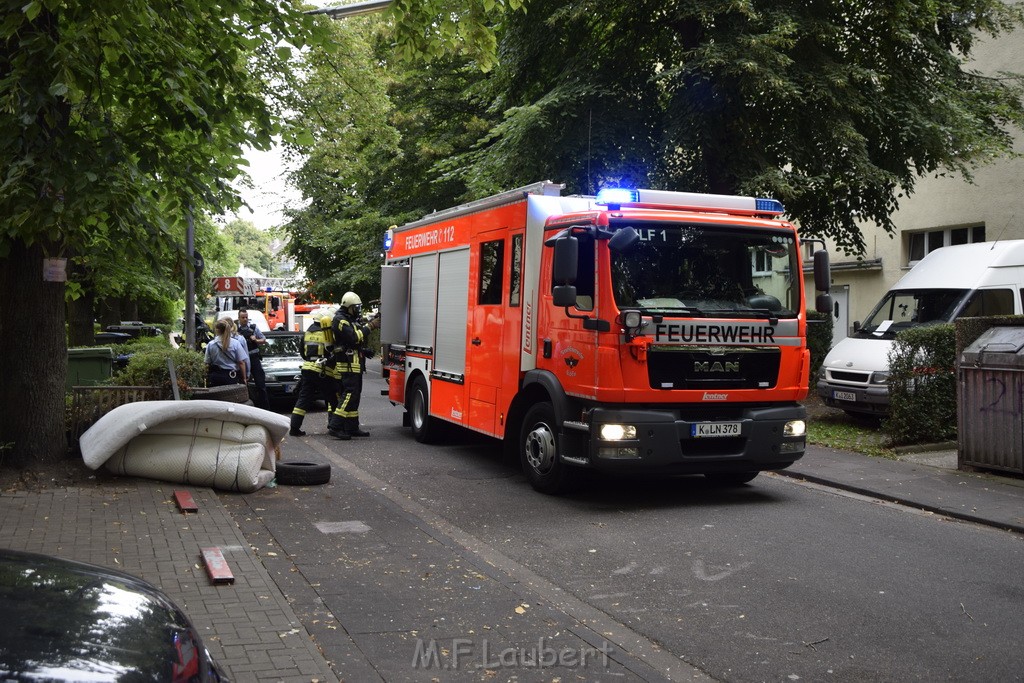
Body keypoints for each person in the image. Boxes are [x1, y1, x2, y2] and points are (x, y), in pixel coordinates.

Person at [327, 292, 378, 439]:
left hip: (355, 362)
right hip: (347, 363)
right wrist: (371, 326)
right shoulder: (340, 320)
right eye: (356, 307)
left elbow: (356, 338)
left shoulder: (350, 319)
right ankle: (335, 426)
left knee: (355, 396)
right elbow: (354, 337)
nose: (358, 310)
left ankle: (352, 427)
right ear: (349, 307)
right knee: (349, 393)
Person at [290, 315, 336, 437]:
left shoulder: (307, 333)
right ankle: (336, 427)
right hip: (321, 370)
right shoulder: (325, 334)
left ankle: (294, 428)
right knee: (333, 399)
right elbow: (331, 351)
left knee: (303, 400)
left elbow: (302, 353)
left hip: (307, 368)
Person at [237, 307, 270, 409]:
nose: (245, 319)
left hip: (254, 359)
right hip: (242, 361)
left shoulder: (253, 328)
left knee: (261, 385)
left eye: (246, 317)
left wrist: (256, 340)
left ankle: (265, 408)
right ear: (239, 318)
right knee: (243, 385)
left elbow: (264, 339)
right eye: (243, 317)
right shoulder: (236, 330)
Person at [204, 319, 248, 386]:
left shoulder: (211, 344)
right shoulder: (235, 343)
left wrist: (206, 377)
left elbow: (207, 363)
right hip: (231, 376)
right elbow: (241, 362)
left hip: (215, 377)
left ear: (217, 330)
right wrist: (244, 378)